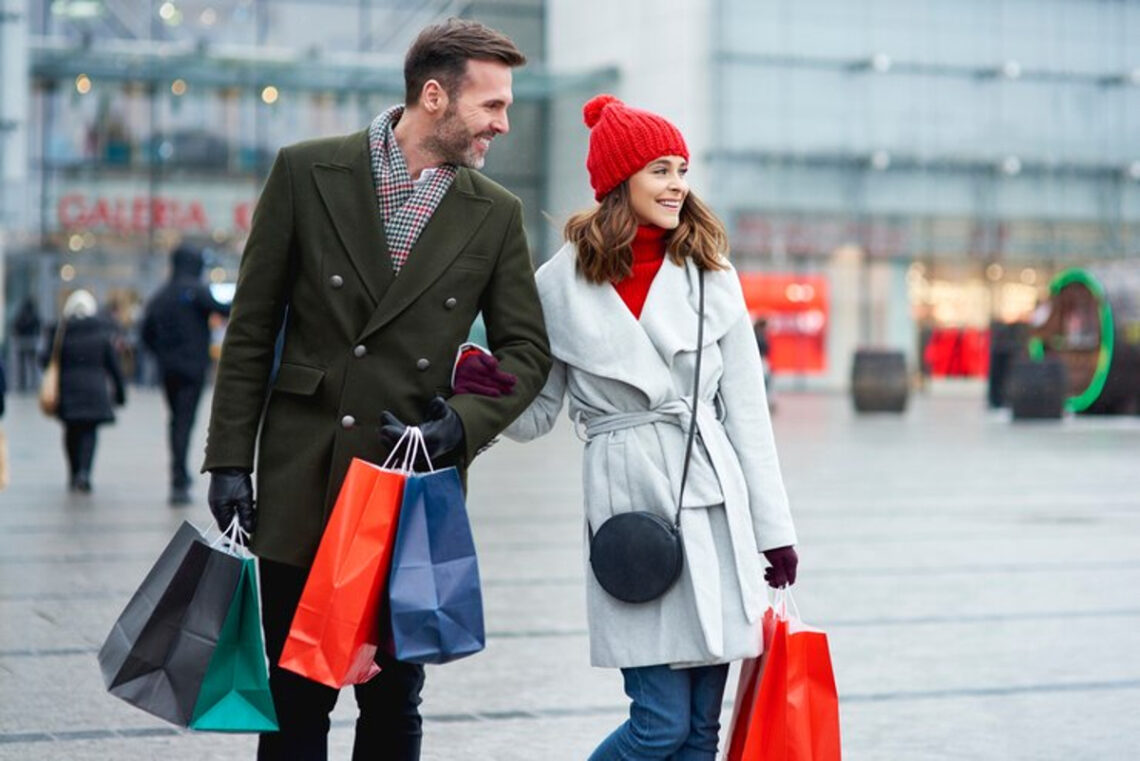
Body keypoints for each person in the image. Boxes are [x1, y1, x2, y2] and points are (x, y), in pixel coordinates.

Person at [200, 18, 551, 761]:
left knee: (393, 703)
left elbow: (527, 351)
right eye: (491, 105)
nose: (503, 123)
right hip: (302, 479)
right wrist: (229, 459)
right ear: (434, 96)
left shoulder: (496, 213)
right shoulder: (305, 172)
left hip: (408, 492)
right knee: (295, 700)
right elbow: (252, 329)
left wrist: (461, 424)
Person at [501, 95, 799, 760]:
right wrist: (492, 389)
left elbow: (747, 413)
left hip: (716, 508)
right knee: (658, 723)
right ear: (618, 181)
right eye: (660, 169)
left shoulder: (711, 273)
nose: (676, 186)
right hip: (632, 511)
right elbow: (538, 414)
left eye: (682, 170)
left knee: (700, 731)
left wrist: (776, 533)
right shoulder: (559, 284)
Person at [142, 243, 231, 505]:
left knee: (176, 419)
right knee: (184, 420)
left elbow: (146, 333)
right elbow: (226, 310)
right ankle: (179, 476)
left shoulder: (161, 295)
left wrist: (161, 353)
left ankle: (178, 472)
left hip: (169, 369)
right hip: (192, 368)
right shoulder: (196, 291)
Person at [46, 290, 126, 493]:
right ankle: (85, 471)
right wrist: (120, 392)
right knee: (89, 432)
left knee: (71, 431)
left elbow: (46, 359)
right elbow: (114, 366)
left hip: (68, 389)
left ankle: (74, 472)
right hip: (94, 390)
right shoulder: (101, 333)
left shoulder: (61, 333)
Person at [13, 297, 41, 392]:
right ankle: (31, 384)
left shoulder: (21, 315)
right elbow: (38, 326)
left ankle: (23, 384)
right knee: (31, 365)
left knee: (23, 366)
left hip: (23, 342)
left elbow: (15, 327)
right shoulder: (33, 314)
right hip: (30, 341)